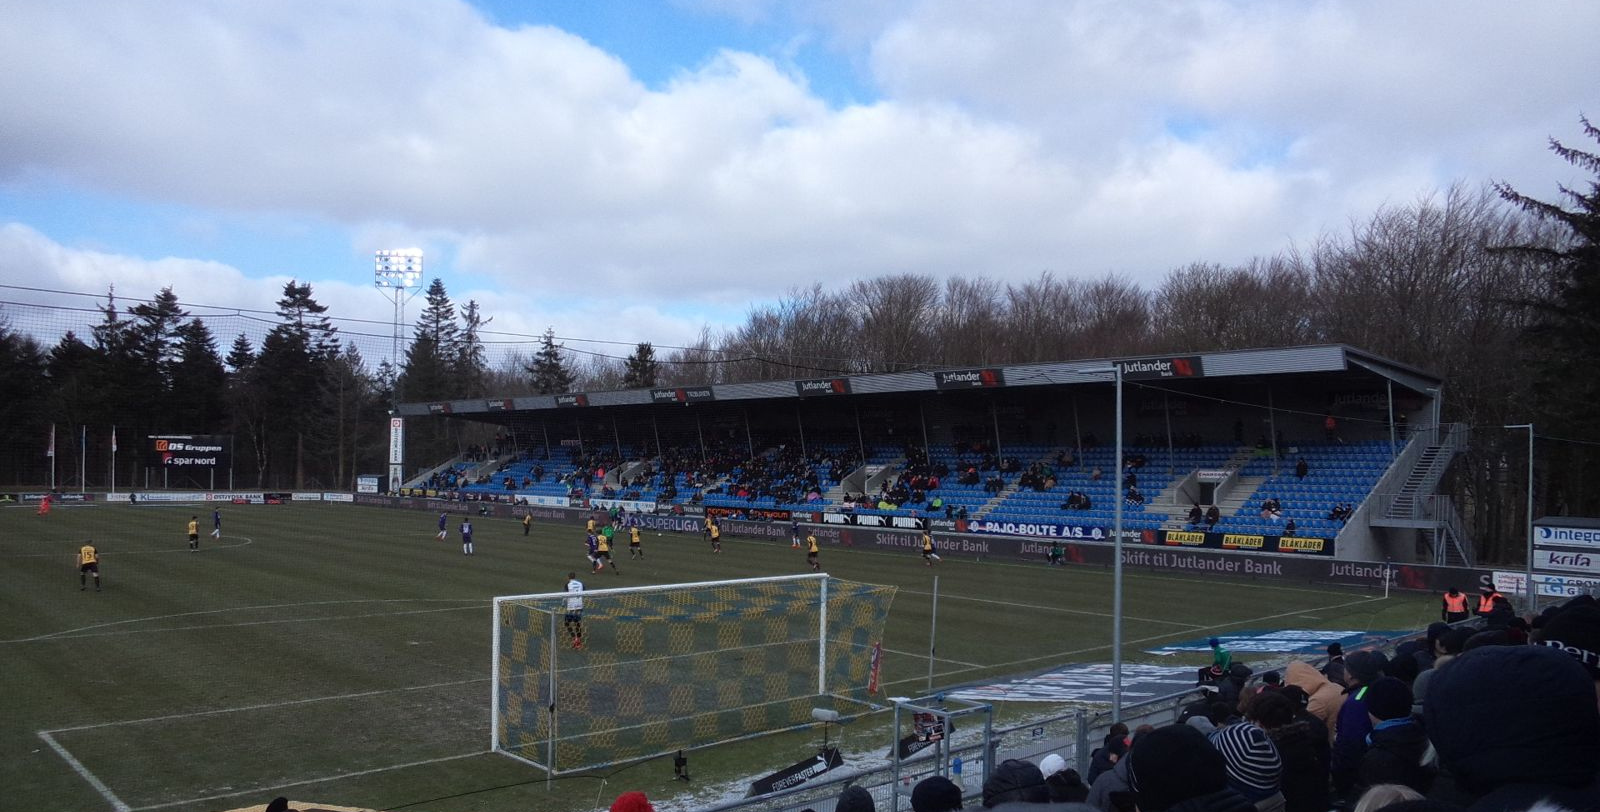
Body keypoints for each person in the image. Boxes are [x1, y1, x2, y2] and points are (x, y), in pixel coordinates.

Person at [564, 572, 584, 650]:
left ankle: (574, 638)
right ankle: (578, 641)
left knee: (567, 623)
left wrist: (563, 603)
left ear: (568, 577)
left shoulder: (567, 585)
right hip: (579, 606)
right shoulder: (580, 583)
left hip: (571, 607)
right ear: (575, 577)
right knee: (577, 623)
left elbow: (565, 595)